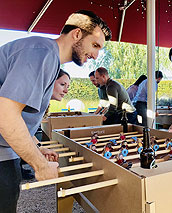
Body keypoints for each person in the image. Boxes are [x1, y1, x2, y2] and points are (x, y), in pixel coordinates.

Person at [0, 10, 111, 212]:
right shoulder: (42, 53)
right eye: (95, 45)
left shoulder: (48, 59)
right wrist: (39, 165)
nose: (95, 55)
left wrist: (36, 147)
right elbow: (5, 115)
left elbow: (19, 118)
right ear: (77, 34)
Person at [21, 69, 71, 180]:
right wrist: (40, 165)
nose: (66, 90)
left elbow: (25, 131)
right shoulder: (32, 99)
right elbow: (17, 130)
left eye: (68, 87)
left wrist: (41, 148)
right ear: (49, 81)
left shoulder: (42, 101)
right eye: (62, 84)